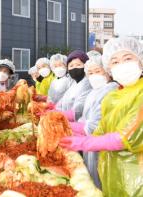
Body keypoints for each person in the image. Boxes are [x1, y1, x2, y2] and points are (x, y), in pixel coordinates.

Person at [60, 37, 143, 196]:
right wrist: (68, 133)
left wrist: (84, 142)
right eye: (115, 62)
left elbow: (127, 136)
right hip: (113, 173)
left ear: (140, 61)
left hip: (137, 175)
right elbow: (99, 130)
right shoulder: (114, 97)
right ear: (109, 67)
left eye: (127, 58)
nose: (122, 65)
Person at [70, 52, 118, 188]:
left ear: (108, 72)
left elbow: (93, 126)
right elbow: (85, 120)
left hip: (102, 148)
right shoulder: (94, 92)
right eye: (90, 73)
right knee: (92, 182)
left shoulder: (111, 90)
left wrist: (66, 124)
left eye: (98, 71)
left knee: (100, 183)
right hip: (90, 146)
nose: (93, 76)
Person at [56, 50, 92, 121]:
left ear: (86, 66)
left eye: (78, 65)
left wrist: (59, 116)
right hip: (66, 122)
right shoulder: (74, 84)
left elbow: (78, 110)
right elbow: (61, 103)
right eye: (71, 66)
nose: (74, 68)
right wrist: (52, 111)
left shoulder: (88, 84)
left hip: (79, 125)